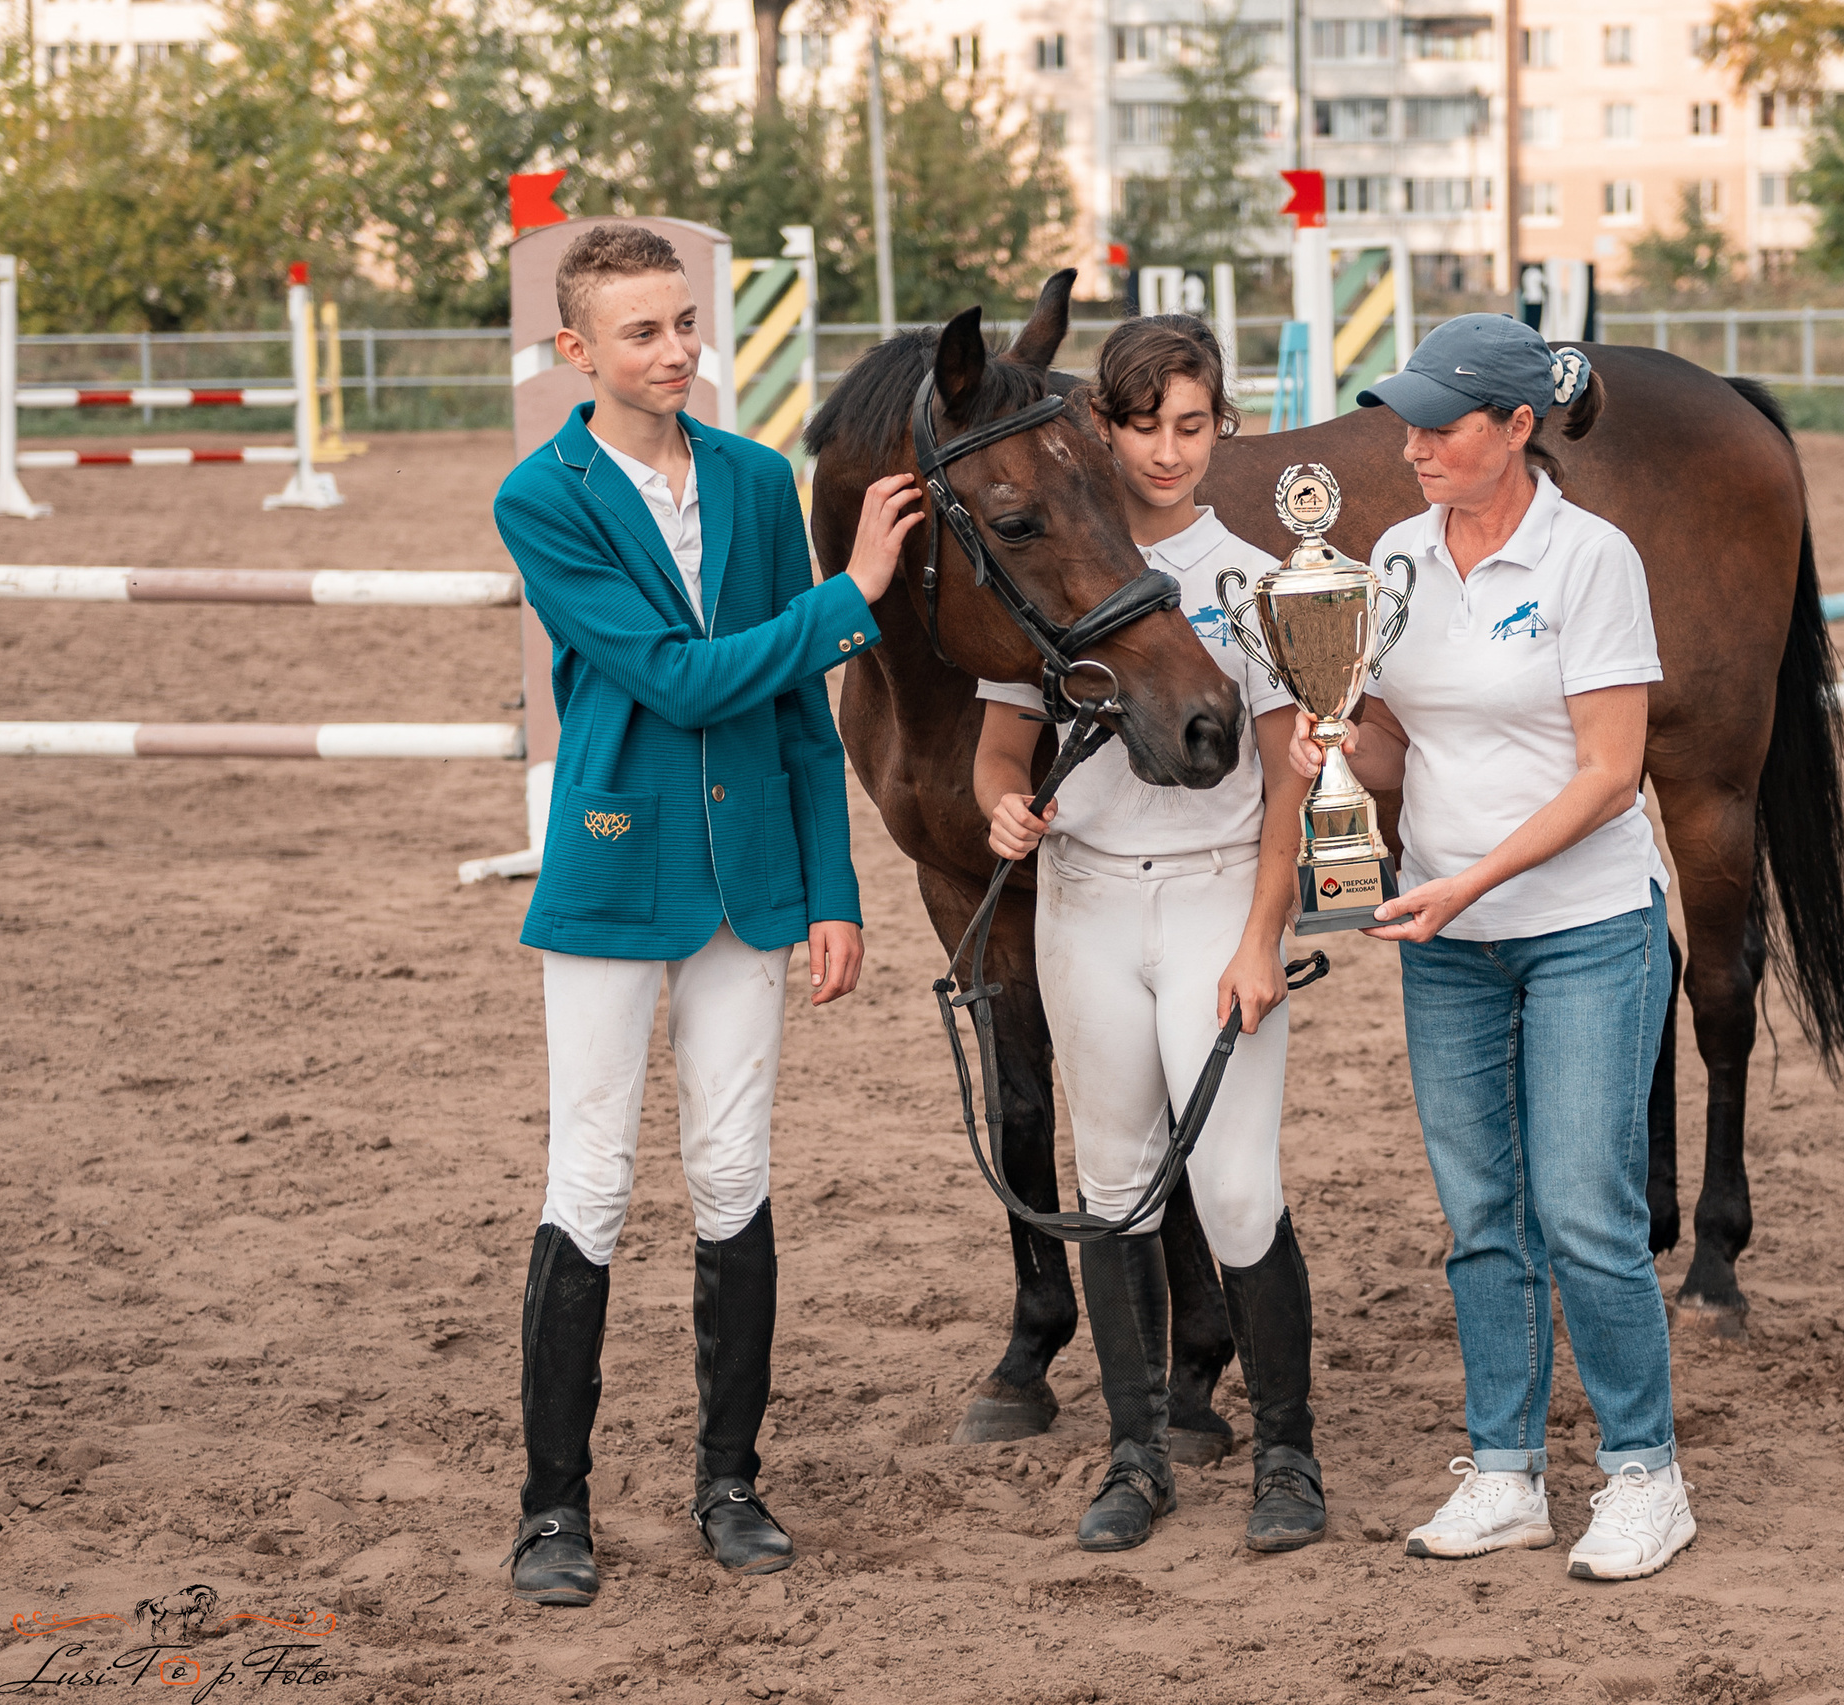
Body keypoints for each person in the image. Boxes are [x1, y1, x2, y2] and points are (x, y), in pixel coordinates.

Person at [491, 224, 919, 1606]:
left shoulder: (750, 477)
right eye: (642, 333)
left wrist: (835, 890)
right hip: (616, 866)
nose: (675, 351)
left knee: (734, 1173)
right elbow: (674, 680)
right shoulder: (539, 497)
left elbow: (796, 713)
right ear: (578, 353)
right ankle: (553, 1508)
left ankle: (730, 1480)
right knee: (594, 1183)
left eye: (685, 324)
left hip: (752, 883)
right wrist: (851, 597)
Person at [1292, 314, 1693, 1582]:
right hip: (1445, 933)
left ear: (1519, 428)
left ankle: (1643, 1474)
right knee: (1479, 1217)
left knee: (1585, 1214)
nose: (1411, 446)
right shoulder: (1397, 555)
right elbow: (1413, 745)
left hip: (1581, 927)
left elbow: (1611, 775)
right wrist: (1337, 751)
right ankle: (1507, 1473)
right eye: (1404, 421)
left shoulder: (1591, 558)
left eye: (1441, 424)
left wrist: (1468, 879)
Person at [972, 314, 1326, 1554]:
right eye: (1142, 426)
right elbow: (997, 749)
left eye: (1193, 425)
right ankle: (1133, 1455)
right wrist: (1002, 809)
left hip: (1217, 897)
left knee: (1234, 1187)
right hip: (1085, 900)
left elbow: (1289, 779)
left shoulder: (1253, 575)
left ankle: (1286, 1451)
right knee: (1114, 1186)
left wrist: (1263, 933)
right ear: (1102, 430)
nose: (1168, 453)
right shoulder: (1054, 557)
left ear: (1221, 428)